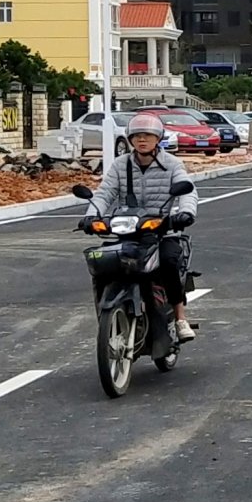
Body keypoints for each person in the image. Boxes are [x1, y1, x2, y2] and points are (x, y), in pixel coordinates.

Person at [93, 118, 199, 340]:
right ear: (130, 139)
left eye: (148, 135)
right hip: (128, 231)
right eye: (137, 136)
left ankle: (180, 318)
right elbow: (105, 193)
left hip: (162, 231)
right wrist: (91, 216)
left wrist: (185, 213)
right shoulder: (120, 164)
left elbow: (188, 191)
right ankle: (106, 314)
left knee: (169, 261)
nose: (142, 139)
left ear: (158, 139)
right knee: (103, 262)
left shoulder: (172, 164)